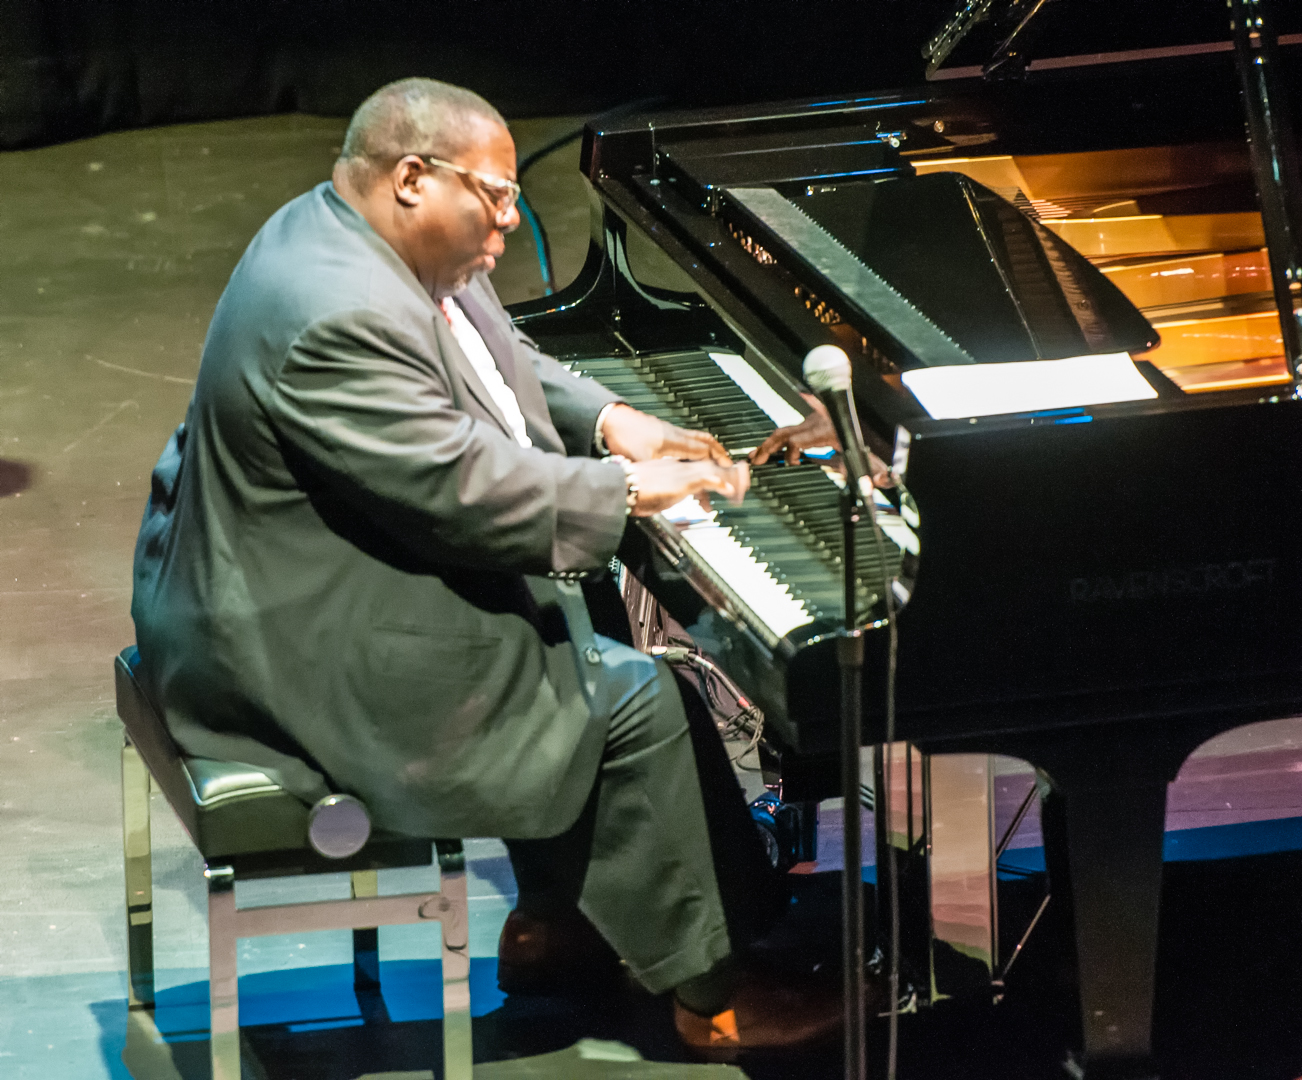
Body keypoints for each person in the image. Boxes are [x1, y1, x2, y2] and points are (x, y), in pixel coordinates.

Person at [130, 77, 844, 1058]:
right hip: (287, 652)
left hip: (277, 585)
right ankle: (714, 990)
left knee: (572, 615)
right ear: (415, 178)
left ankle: (558, 925)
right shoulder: (335, 314)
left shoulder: (347, 233)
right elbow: (459, 489)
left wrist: (611, 422)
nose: (513, 219)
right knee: (635, 696)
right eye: (495, 196)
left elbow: (490, 357)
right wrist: (635, 493)